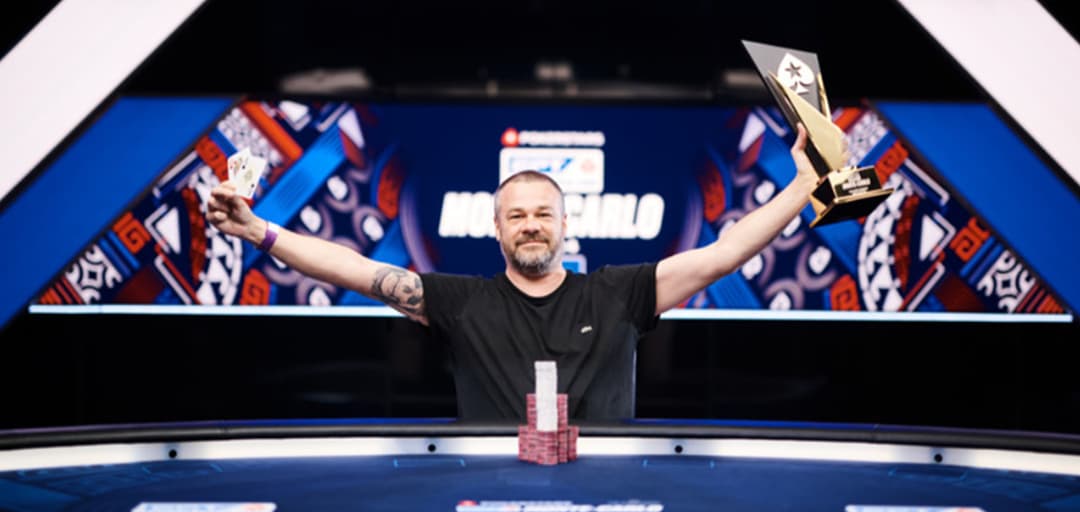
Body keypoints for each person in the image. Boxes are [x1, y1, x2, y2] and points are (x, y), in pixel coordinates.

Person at [207, 123, 821, 422]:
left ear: (565, 225)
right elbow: (356, 270)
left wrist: (802, 186)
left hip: (614, 497)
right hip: (483, 496)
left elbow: (724, 255)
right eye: (517, 216)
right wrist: (260, 231)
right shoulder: (460, 302)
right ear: (496, 229)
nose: (531, 225)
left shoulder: (620, 292)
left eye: (543, 214)